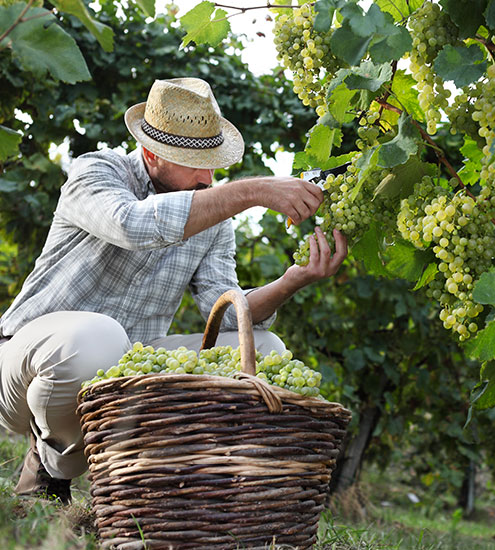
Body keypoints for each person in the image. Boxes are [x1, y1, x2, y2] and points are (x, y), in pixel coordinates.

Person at [0, 77, 348, 503]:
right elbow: (132, 224)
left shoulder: (215, 222)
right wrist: (255, 191)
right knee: (97, 338)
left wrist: (294, 279)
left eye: (213, 162)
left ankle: (181, 488)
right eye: (195, 162)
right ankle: (49, 471)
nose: (208, 177)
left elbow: (225, 312)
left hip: (122, 375)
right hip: (29, 368)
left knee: (262, 347)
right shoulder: (98, 171)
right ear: (151, 154)